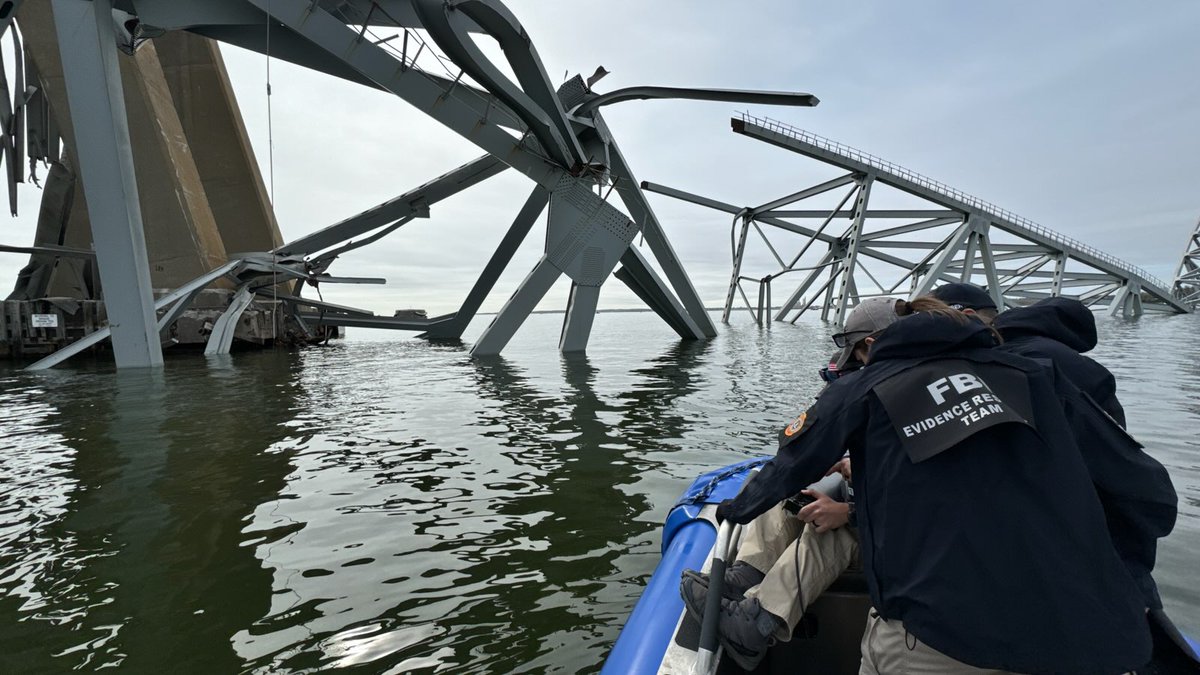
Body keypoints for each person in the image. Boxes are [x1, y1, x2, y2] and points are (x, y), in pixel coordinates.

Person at [717, 300, 1174, 674]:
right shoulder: (1033, 376)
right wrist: (1111, 574)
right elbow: (1150, 496)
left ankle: (752, 612)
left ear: (875, 346)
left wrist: (734, 512)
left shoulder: (866, 387)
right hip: (1069, 630)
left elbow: (785, 468)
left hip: (934, 634)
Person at [678, 298, 905, 669]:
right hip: (893, 520)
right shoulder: (928, 389)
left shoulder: (891, 388)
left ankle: (755, 626)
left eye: (859, 358)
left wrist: (848, 514)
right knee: (792, 500)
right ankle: (745, 577)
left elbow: (927, 504)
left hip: (907, 541)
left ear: (870, 345)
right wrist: (849, 466)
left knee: (829, 534)